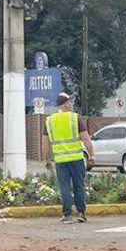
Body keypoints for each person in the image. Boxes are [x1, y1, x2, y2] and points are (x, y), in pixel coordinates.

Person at [43, 91, 93, 223]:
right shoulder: (75, 118)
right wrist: (91, 155)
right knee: (78, 186)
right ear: (65, 104)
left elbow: (44, 141)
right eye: (70, 102)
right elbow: (86, 138)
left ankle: (67, 215)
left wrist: (47, 159)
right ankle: (81, 213)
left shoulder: (49, 121)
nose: (71, 104)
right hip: (76, 159)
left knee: (64, 187)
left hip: (60, 160)